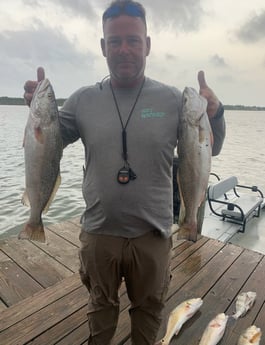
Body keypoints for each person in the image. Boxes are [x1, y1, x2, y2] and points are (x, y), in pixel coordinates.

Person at [24, 1, 226, 344]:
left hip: (153, 235)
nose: (124, 49)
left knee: (148, 311)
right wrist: (35, 111)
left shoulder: (173, 99)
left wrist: (216, 113)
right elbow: (49, 145)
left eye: (133, 40)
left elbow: (211, 147)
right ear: (103, 47)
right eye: (115, 41)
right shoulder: (82, 100)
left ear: (147, 44)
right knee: (100, 306)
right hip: (99, 233)